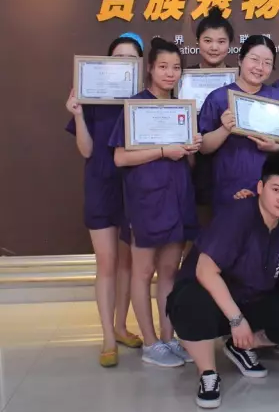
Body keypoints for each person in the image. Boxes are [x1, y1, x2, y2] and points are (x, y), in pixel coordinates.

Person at [167, 151, 279, 409]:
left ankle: (241, 346)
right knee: (190, 302)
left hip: (252, 298)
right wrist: (237, 320)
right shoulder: (238, 214)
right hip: (212, 299)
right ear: (260, 188)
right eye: (276, 189)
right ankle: (208, 373)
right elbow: (205, 271)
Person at [109, 37, 201, 367]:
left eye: (176, 68)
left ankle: (168, 337)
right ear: (150, 68)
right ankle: (150, 343)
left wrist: (191, 148)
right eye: (163, 66)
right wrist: (163, 150)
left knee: (169, 272)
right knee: (143, 271)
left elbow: (188, 161)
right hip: (146, 200)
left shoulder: (182, 108)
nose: (170, 73)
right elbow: (120, 158)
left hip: (178, 197)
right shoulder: (135, 106)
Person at [65, 33, 144, 367]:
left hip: (134, 186)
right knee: (107, 261)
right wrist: (78, 113)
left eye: (131, 59)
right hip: (100, 185)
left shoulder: (143, 99)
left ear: (140, 65)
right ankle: (108, 337)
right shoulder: (91, 97)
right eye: (118, 57)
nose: (124, 63)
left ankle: (122, 327)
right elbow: (86, 150)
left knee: (128, 263)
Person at [198, 35, 279, 211]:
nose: (260, 67)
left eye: (267, 63)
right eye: (254, 59)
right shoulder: (218, 98)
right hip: (228, 188)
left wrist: (276, 147)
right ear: (240, 60)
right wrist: (225, 129)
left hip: (271, 191)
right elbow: (203, 147)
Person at [190, 6, 235, 227]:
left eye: (221, 41)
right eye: (208, 41)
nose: (214, 47)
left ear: (230, 45)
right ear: (198, 42)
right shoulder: (182, 78)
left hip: (230, 163)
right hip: (193, 164)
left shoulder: (241, 80)